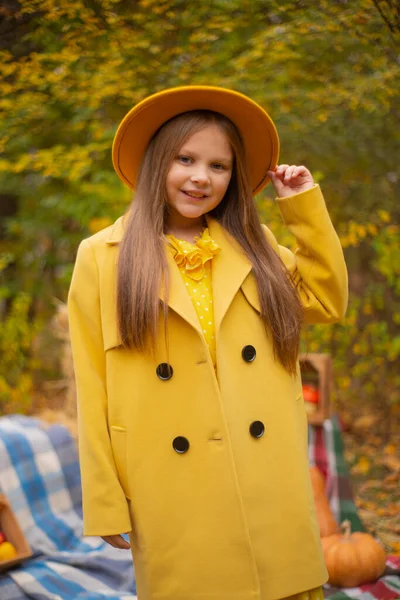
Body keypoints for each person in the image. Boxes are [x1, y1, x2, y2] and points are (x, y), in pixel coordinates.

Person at [68, 86, 348, 600]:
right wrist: (105, 499)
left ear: (233, 178)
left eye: (219, 166)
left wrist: (302, 208)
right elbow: (92, 384)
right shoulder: (102, 256)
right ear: (157, 162)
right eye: (186, 158)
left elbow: (327, 303)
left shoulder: (254, 243)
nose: (201, 177)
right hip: (171, 481)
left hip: (264, 474)